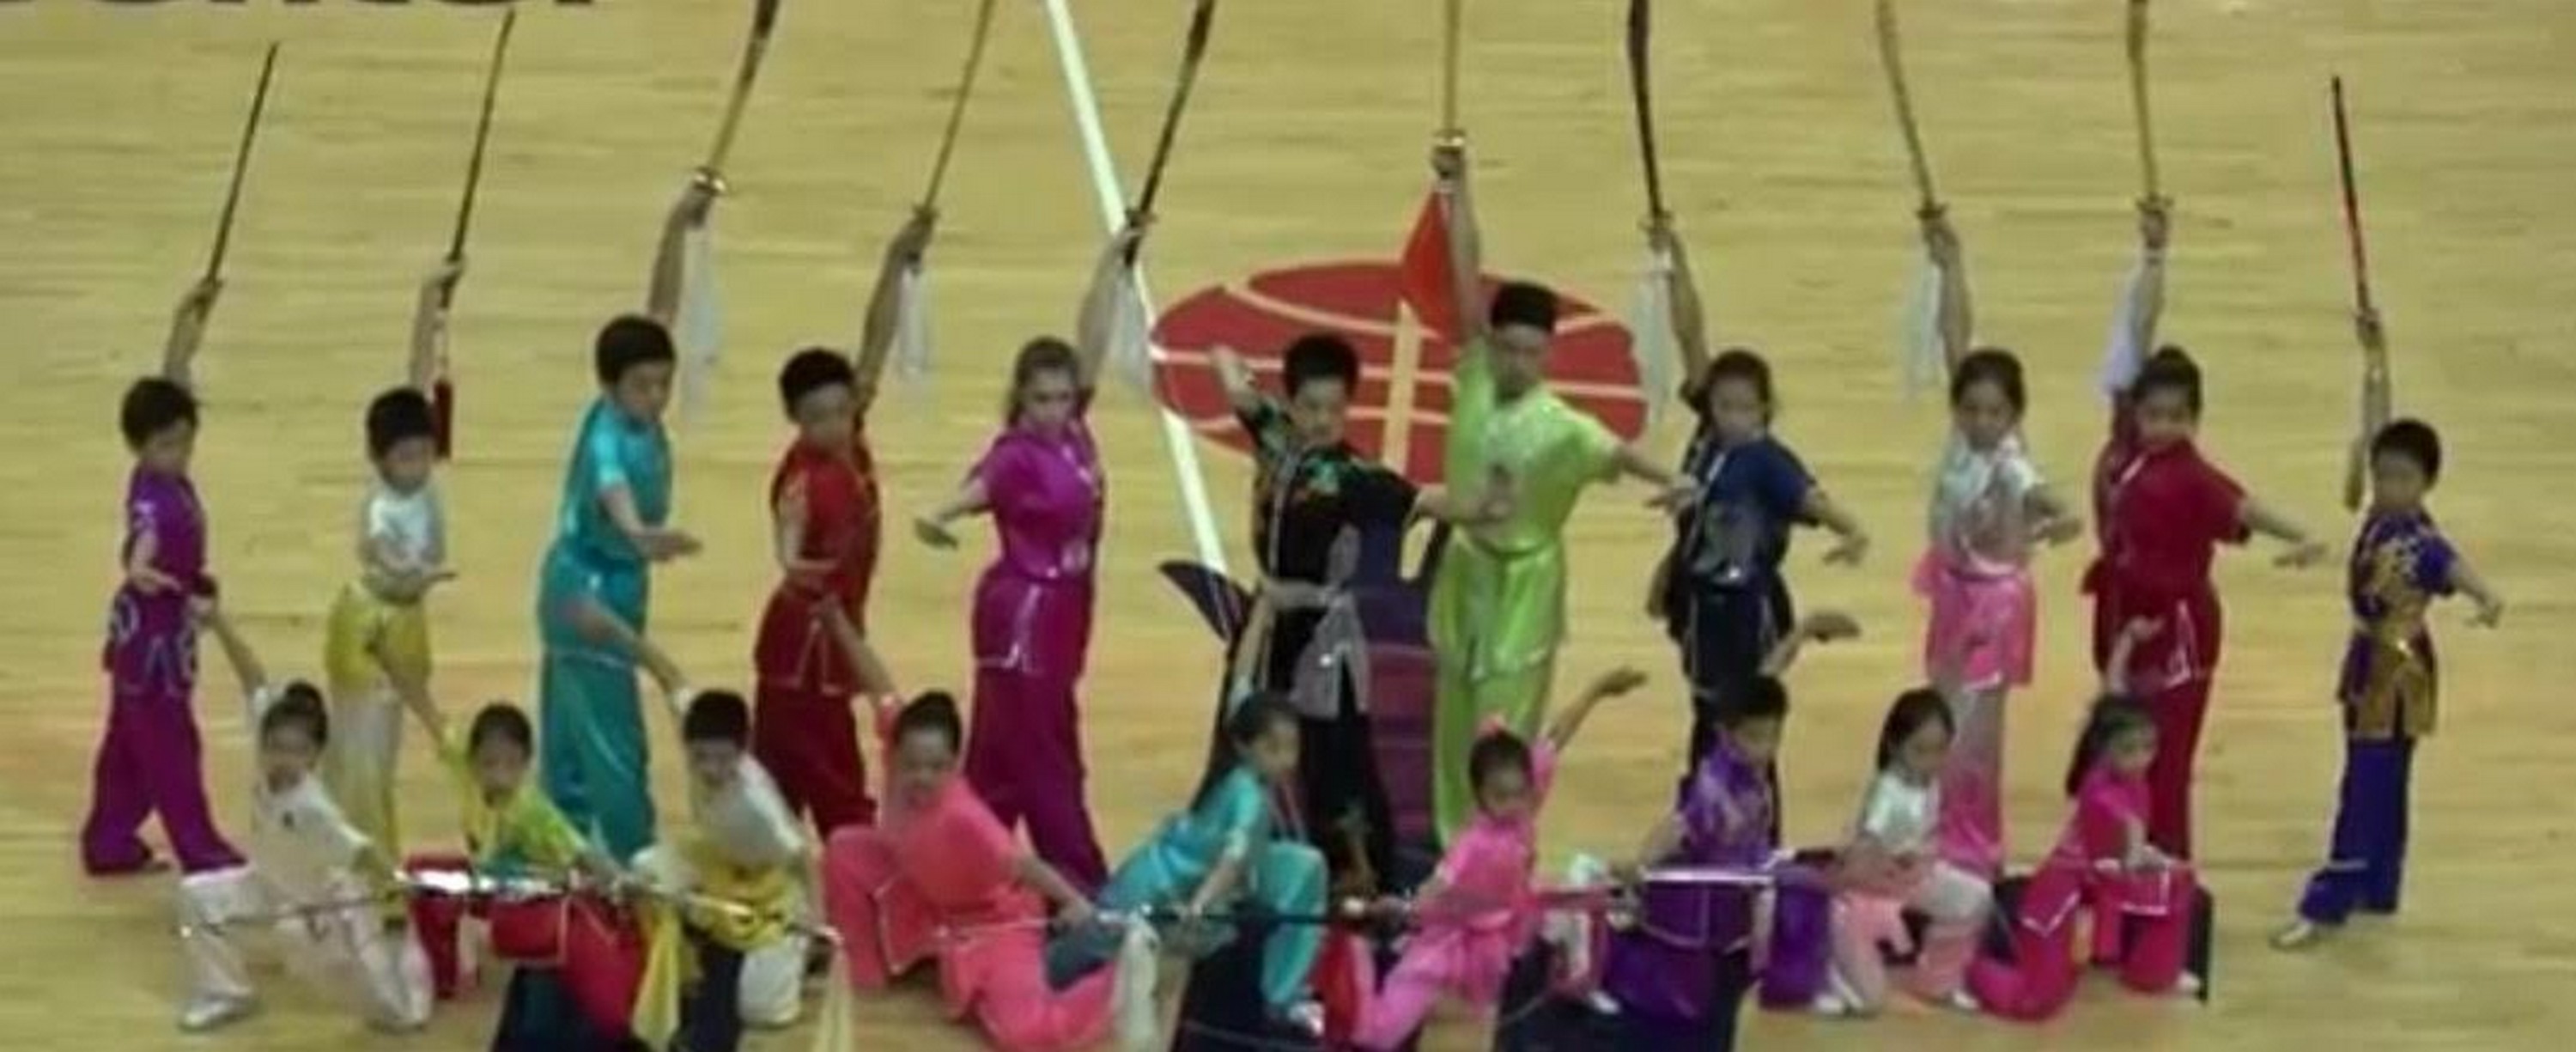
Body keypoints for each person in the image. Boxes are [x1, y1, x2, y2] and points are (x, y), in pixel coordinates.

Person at [1425, 141, 1695, 840]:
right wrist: (1460, 188)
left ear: (1548, 352)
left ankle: (1503, 849)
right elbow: (1464, 278)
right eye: (1507, 347)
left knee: (1502, 729)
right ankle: (1453, 853)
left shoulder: (1564, 428)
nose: (1516, 361)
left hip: (1525, 585)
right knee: (1453, 723)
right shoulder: (1475, 375)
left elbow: (1621, 454)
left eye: (1530, 351)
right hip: (1465, 570)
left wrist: (1676, 480)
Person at [1205, 334, 1508, 891]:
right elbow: (1228, 371)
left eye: (1335, 408)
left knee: (1337, 758)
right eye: (1310, 407)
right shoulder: (1272, 433)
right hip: (1268, 619)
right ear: (1290, 402)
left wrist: (1484, 504)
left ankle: (1361, 875)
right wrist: (1231, 365)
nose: (1323, 420)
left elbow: (1429, 501)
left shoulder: (1355, 476)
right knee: (1241, 735)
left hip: (1322, 636)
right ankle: (1234, 858)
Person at [2087, 196, 2330, 858]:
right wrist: (2154, 255)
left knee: (2165, 757)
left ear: (2194, 418)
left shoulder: (2193, 476)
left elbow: (2246, 507)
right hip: (2122, 615)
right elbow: (2137, 331)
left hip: (2177, 630)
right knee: (2119, 746)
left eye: (2177, 416)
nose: (2162, 425)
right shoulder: (2126, 445)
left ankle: (2169, 872)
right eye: (2153, 413)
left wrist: (2303, 534)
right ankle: (2119, 858)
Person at [914, 219, 1146, 890]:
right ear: (1021, 397)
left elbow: (1090, 339)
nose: (1055, 409)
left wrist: (1112, 261)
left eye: (1064, 397)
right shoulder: (1017, 455)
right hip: (1026, 617)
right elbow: (975, 491)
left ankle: (965, 865)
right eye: (1042, 399)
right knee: (1046, 753)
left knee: (1003, 755)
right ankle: (1077, 880)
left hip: (1062, 611)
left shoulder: (1073, 432)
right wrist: (936, 515)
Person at [2273, 311, 2505, 950]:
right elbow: (2377, 425)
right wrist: (2376, 360)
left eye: (2403, 478)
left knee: (2369, 783)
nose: (2389, 486)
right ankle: (2380, 884)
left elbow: (2457, 568)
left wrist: (2487, 596)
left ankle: (2328, 904)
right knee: (2385, 779)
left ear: (2427, 483)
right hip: (2372, 659)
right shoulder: (2380, 514)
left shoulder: (2421, 541)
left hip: (2394, 672)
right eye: (2384, 475)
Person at [1644, 220, 1871, 809]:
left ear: (1766, 409)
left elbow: (1814, 501)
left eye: (1745, 407)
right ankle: (1699, 814)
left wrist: (1852, 530)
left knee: (1750, 726)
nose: (1732, 415)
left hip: (1750, 610)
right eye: (1723, 405)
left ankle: (1758, 826)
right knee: (1704, 717)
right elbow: (1691, 336)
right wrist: (1674, 261)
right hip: (1701, 605)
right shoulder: (1708, 437)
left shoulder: (1770, 463)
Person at [819, 664, 1157, 1052]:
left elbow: (1023, 865)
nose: (922, 778)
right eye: (911, 766)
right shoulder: (899, 751)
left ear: (954, 763)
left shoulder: (966, 820)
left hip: (994, 925)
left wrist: (1074, 902)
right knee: (845, 849)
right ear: (894, 755)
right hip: (928, 895)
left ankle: (1118, 985)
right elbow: (880, 688)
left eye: (937, 768)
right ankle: (862, 969)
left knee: (1023, 1034)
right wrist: (836, 629)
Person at [535, 181, 711, 860]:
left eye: (663, 382)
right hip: (589, 589)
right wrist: (638, 533)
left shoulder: (631, 404)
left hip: (605, 580)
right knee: (612, 745)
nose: (658, 396)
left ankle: (562, 851)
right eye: (644, 385)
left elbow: (660, 306)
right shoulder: (607, 436)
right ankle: (636, 859)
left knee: (570, 735)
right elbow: (611, 487)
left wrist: (678, 224)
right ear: (610, 385)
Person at [1905, 208, 2084, 876]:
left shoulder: (2012, 463)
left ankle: (1974, 849)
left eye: (1995, 411)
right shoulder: (1962, 438)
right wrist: (1950, 262)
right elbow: (1957, 337)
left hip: (1993, 607)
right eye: (1971, 408)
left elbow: (2051, 500)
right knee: (1943, 715)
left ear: (2014, 414)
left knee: (1974, 732)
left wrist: (2061, 519)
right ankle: (1939, 829)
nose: (1981, 420)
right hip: (1953, 594)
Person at [172, 596, 434, 1033]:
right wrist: (218, 621)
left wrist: (399, 882)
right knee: (197, 897)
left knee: (385, 1012)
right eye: (276, 747)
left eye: (297, 751)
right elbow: (252, 677)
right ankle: (227, 992)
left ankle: (409, 982)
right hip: (265, 885)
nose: (283, 759)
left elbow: (360, 850)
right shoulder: (265, 757)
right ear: (264, 742)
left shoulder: (313, 807)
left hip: (319, 908)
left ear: (314, 756)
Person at [751, 210, 933, 836]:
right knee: (828, 782)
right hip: (809, 647)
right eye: (818, 417)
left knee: (786, 780)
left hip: (829, 638)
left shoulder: (849, 438)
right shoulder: (804, 479)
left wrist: (897, 259)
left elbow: (875, 345)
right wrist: (794, 558)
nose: (834, 424)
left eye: (841, 410)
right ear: (794, 419)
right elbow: (787, 543)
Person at [1348, 667, 1642, 1049]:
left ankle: (1572, 981)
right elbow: (1438, 886)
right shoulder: (1471, 844)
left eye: (1520, 794)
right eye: (1501, 797)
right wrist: (1404, 907)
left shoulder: (1525, 803)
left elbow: (1557, 735)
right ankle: (1354, 962)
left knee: (1583, 902)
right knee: (1379, 1034)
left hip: (1509, 921)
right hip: (1451, 937)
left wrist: (1597, 690)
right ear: (1480, 794)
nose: (1514, 805)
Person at [1601, 612, 1854, 1047]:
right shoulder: (1714, 789)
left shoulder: (1746, 738)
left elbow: (1768, 674)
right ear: (1727, 732)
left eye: (1774, 736)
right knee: (1698, 1009)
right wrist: (1640, 866)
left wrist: (1802, 632)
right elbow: (1677, 826)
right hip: (1701, 913)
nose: (1766, 748)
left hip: (1738, 904)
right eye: (1756, 738)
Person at [83, 277, 244, 877]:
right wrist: (140, 570)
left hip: (143, 642)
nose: (181, 451)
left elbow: (174, 381)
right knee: (173, 749)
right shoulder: (153, 500)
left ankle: (108, 839)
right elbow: (141, 547)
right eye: (168, 444)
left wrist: (187, 319)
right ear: (141, 446)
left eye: (184, 440)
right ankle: (200, 849)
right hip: (154, 647)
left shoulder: (160, 471)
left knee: (126, 746)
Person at [1048, 695, 1328, 1037]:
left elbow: (1238, 858)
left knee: (1307, 868)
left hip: (1173, 877)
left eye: (1291, 748)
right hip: (1159, 886)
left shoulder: (1240, 780)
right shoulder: (1249, 796)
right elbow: (1232, 859)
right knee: (1088, 952)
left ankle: (1280, 993)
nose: (1286, 760)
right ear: (1243, 746)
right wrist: (1201, 903)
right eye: (1273, 749)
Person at [1968, 634, 2202, 1021]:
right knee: (2037, 1003)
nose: (2142, 759)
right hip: (2066, 889)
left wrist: (2126, 640)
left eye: (2149, 747)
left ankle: (2153, 971)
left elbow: (2112, 691)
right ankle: (1972, 970)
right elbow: (2131, 843)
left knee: (2176, 883)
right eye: (2130, 749)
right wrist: (2149, 857)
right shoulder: (2103, 794)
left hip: (2103, 878)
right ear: (2103, 748)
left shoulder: (2122, 766)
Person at [322, 263, 464, 855]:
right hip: (370, 629)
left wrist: (431, 298)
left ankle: (360, 851)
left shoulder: (418, 477)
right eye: (406, 457)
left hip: (405, 623)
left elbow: (418, 377)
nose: (420, 466)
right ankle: (364, 861)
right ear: (378, 458)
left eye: (425, 453)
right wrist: (426, 574)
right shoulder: (381, 510)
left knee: (380, 753)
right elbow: (392, 562)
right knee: (363, 757)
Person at [629, 690, 816, 1039]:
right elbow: (672, 681)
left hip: (769, 886)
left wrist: (815, 921)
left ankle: (793, 953)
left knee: (762, 1011)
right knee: (644, 870)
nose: (710, 770)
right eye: (700, 758)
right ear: (687, 745)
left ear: (743, 751)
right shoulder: (697, 723)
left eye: (723, 759)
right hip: (717, 860)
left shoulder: (758, 804)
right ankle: (682, 962)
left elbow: (804, 858)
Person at [1820, 687, 1990, 1015]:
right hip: (1870, 889)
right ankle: (1828, 959)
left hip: (1914, 877)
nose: (1931, 762)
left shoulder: (1932, 783)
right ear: (1894, 745)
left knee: (1974, 898)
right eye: (1920, 750)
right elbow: (1866, 846)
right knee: (1868, 1000)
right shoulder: (1887, 793)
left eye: (1940, 750)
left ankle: (1939, 981)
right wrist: (1882, 862)